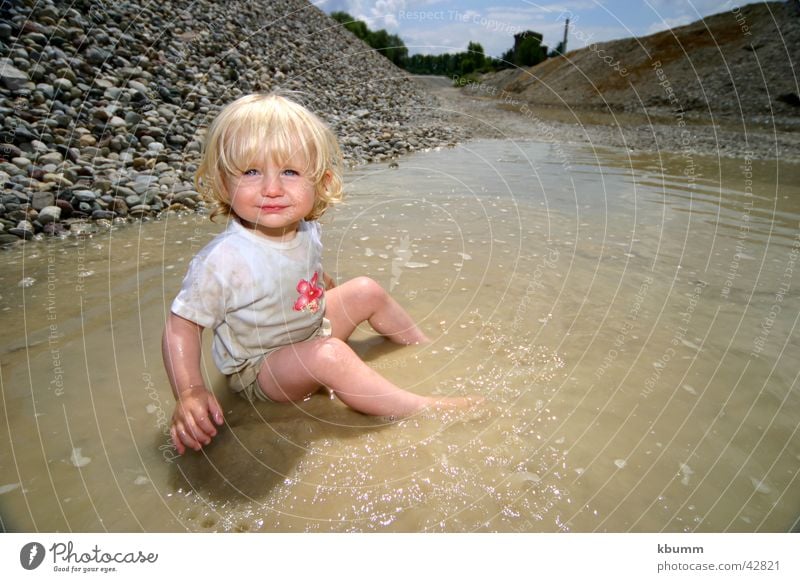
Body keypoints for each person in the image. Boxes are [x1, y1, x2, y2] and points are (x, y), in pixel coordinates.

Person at [163, 93, 476, 455]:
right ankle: (419, 409)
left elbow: (308, 274)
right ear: (222, 182)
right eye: (251, 172)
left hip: (310, 329)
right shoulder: (225, 259)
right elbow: (180, 325)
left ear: (321, 182)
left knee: (365, 290)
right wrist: (189, 392)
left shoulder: (305, 230)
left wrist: (328, 289)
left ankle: (424, 348)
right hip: (262, 370)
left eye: (290, 172)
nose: (272, 188)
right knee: (330, 355)